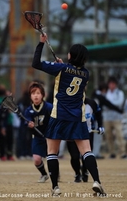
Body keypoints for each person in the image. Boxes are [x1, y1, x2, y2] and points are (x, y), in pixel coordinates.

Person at [32, 33, 106, 196]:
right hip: (77, 118)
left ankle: (55, 188)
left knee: (52, 152)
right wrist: (63, 66)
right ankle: (97, 182)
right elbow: (72, 74)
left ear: (70, 56)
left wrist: (41, 43)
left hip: (58, 116)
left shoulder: (61, 69)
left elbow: (35, 63)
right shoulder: (86, 74)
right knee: (86, 151)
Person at [67, 97, 104, 183]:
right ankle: (77, 173)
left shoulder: (91, 103)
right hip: (71, 133)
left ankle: (85, 171)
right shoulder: (67, 102)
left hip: (87, 133)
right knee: (75, 156)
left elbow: (99, 114)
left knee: (86, 155)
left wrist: (100, 125)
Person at [24, 81, 52, 183]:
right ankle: (44, 174)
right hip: (37, 137)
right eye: (33, 94)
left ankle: (54, 173)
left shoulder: (49, 107)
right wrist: (29, 125)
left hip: (49, 137)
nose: (36, 96)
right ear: (30, 96)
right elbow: (25, 122)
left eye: (38, 93)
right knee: (36, 159)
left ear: (43, 95)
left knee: (51, 158)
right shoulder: (28, 110)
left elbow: (54, 121)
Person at [92, 83, 123, 159]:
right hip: (97, 119)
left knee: (91, 137)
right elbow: (109, 105)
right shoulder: (100, 97)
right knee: (97, 137)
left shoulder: (93, 95)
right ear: (104, 90)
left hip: (90, 118)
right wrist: (120, 110)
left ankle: (92, 152)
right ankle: (95, 153)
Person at [102, 76, 127, 159]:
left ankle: (123, 152)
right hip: (107, 117)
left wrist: (109, 104)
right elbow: (103, 104)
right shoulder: (106, 93)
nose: (111, 85)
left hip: (117, 117)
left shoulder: (119, 93)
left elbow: (119, 103)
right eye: (110, 84)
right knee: (109, 136)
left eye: (113, 84)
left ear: (116, 85)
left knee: (119, 135)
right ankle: (112, 152)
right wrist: (110, 104)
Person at [0, 84, 14, 161]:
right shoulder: (0, 100)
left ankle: (4, 154)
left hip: (4, 121)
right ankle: (7, 154)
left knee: (4, 139)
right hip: (4, 121)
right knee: (7, 139)